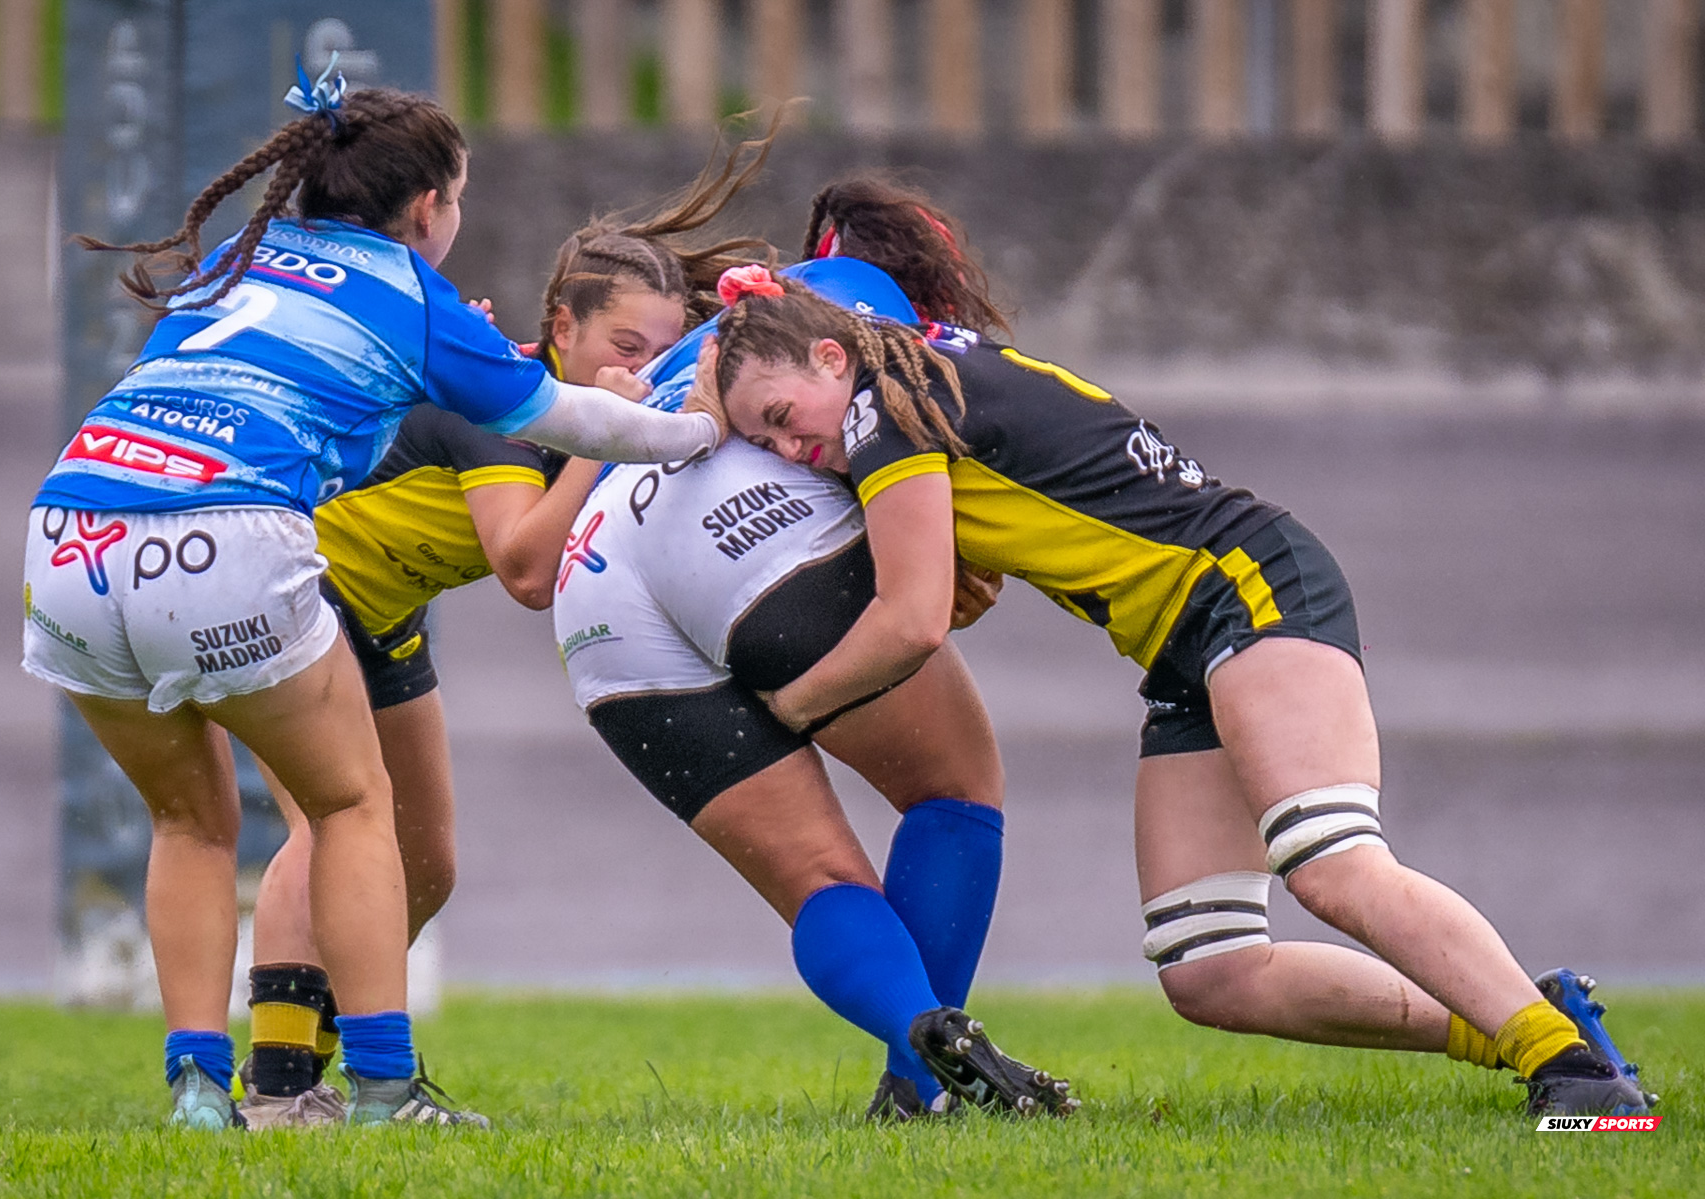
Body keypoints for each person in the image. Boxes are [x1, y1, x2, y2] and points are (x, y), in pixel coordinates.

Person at [700, 183, 1653, 1118]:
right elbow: (959, 589)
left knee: (1327, 860)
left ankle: (1580, 1078)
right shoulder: (919, 375)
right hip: (1190, 643)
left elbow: (913, 623)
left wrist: (787, 709)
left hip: (1243, 585)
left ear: (831, 354)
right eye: (762, 440)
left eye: (781, 418)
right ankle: (1524, 1021)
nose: (787, 450)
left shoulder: (886, 401)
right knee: (1212, 967)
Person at [22, 71, 719, 1130]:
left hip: (70, 525)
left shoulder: (234, 256)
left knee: (188, 820)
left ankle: (199, 1093)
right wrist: (697, 426)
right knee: (354, 808)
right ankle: (386, 1088)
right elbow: (585, 427)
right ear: (429, 207)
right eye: (462, 196)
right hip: (225, 536)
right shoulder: (413, 292)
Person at [237, 126, 780, 1129]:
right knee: (325, 825)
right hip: (304, 590)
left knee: (425, 858)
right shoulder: (500, 399)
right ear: (560, 329)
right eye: (625, 347)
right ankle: (278, 1088)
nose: (645, 371)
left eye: (664, 352)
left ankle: (310, 1063)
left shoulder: (589, 403)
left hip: (385, 613)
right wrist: (602, 444)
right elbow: (527, 566)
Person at [553, 256, 1074, 1121]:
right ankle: (921, 1084)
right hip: (748, 530)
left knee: (818, 878)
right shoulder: (852, 298)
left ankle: (920, 1025)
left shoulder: (728, 327)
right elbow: (882, 439)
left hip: (598, 591)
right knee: (955, 792)